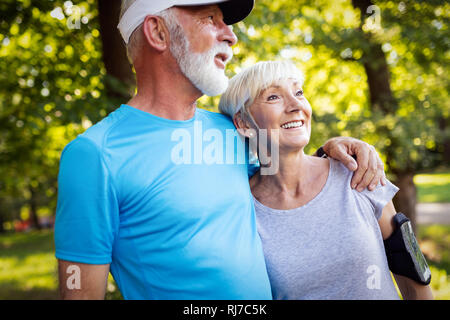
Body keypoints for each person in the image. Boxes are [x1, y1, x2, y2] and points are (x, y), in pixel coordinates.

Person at [55, 0, 387, 300]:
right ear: (157, 32)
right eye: (211, 18)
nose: (231, 35)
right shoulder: (94, 155)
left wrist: (333, 150)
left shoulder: (232, 131)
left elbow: (283, 176)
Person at [219, 60, 434, 300]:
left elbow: (410, 267)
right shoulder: (241, 209)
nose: (295, 105)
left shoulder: (357, 171)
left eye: (298, 92)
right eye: (273, 97)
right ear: (243, 123)